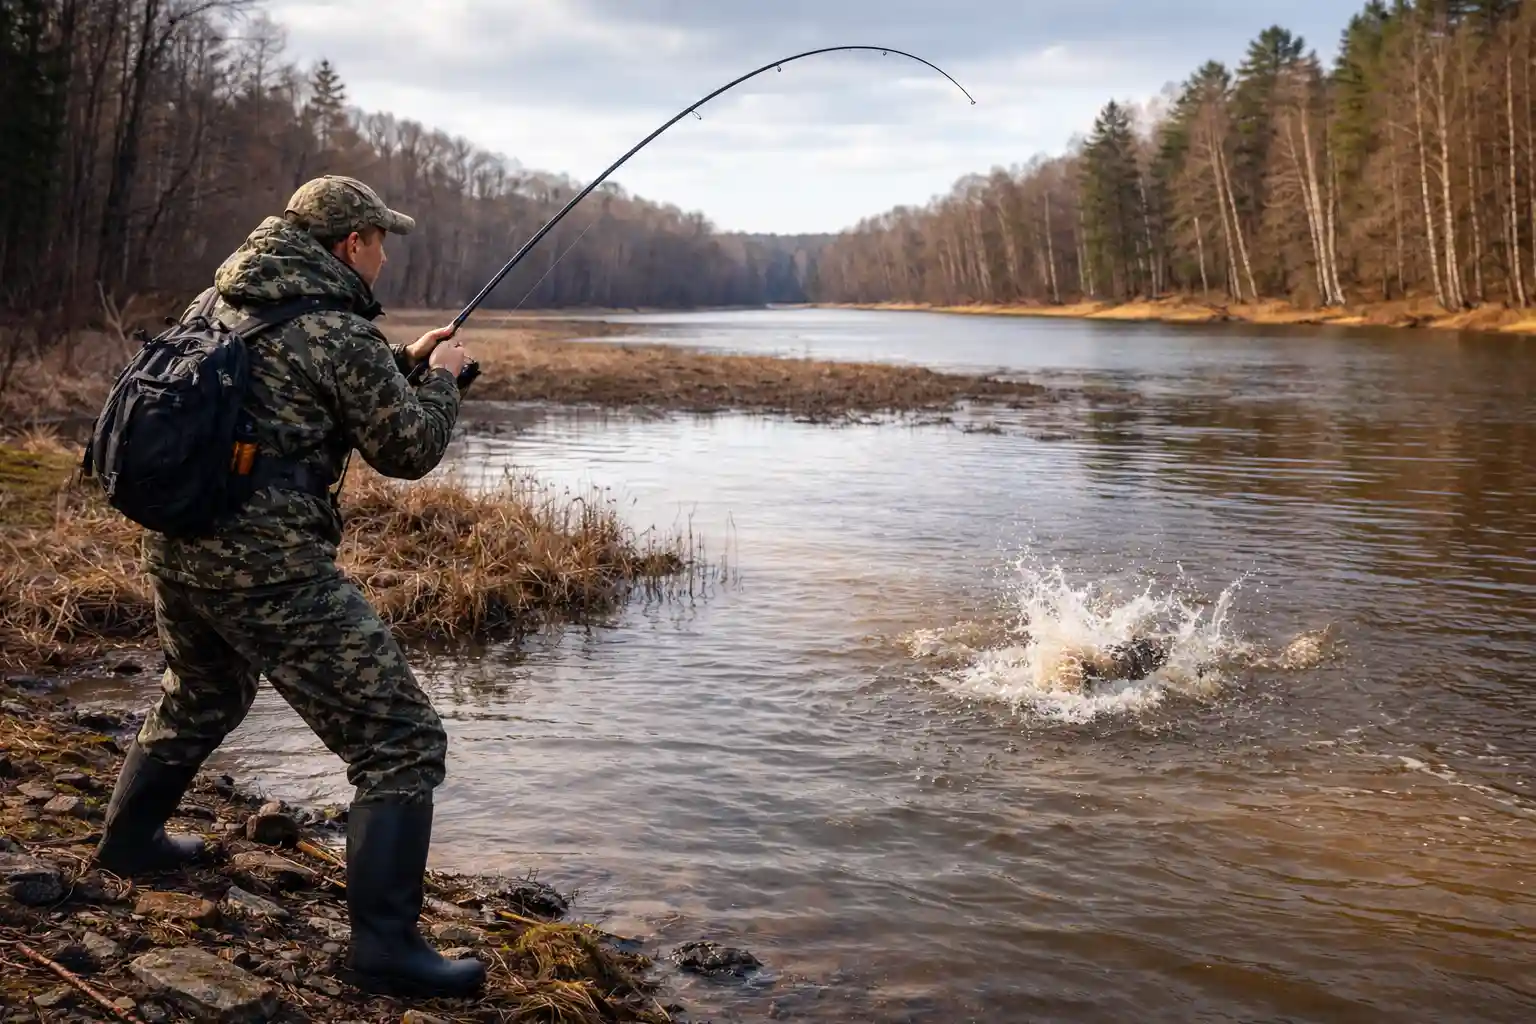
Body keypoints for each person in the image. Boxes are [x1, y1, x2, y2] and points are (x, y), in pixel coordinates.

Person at [90, 174, 486, 998]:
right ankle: (386, 953)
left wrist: (402, 361)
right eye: (380, 240)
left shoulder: (221, 299)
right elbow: (407, 450)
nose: (384, 255)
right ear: (351, 245)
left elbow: (294, 393)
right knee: (401, 740)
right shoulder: (335, 329)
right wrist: (444, 378)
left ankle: (128, 845)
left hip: (176, 544)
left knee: (200, 695)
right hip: (266, 567)